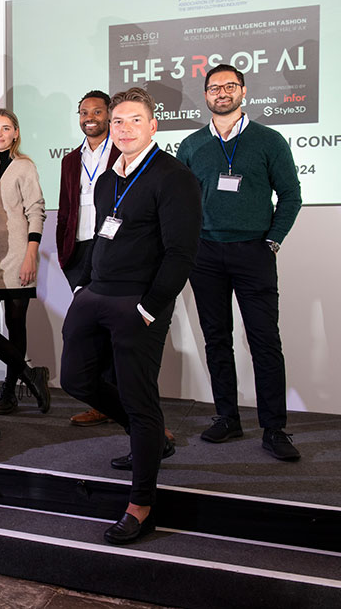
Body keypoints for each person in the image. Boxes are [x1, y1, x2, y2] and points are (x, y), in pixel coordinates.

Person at [60, 87, 201, 545]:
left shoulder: (173, 177)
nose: (123, 128)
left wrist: (149, 307)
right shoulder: (106, 178)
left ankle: (141, 506)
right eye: (118, 121)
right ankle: (153, 438)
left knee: (139, 399)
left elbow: (181, 253)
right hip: (96, 294)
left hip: (138, 303)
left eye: (134, 120)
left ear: (153, 125)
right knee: (76, 381)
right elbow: (101, 234)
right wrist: (82, 285)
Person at [177, 64, 303, 461]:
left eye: (230, 86)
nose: (222, 93)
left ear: (244, 92)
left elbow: (291, 196)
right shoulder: (192, 145)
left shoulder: (269, 140)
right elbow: (181, 205)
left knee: (265, 340)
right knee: (217, 339)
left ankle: (275, 428)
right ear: (206, 95)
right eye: (214, 88)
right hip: (206, 255)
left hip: (254, 251)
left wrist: (273, 240)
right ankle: (227, 417)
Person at [0, 108, 50, 415]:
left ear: (16, 133)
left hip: (19, 258)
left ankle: (9, 390)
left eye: (5, 128)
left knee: (16, 324)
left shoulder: (24, 166)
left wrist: (32, 254)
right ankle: (30, 375)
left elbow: (36, 210)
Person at [57, 91, 120, 427]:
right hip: (78, 251)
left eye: (97, 111)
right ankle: (101, 402)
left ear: (109, 115)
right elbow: (66, 208)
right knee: (89, 330)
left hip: (111, 250)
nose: (90, 117)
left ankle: (116, 402)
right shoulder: (70, 160)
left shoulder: (122, 150)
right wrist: (65, 254)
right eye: (84, 112)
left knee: (113, 329)